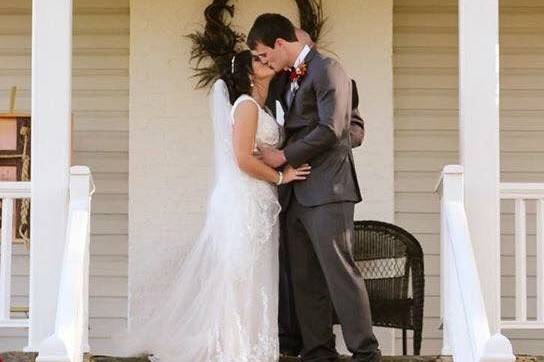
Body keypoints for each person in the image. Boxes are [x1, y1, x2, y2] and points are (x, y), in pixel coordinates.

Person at [248, 13, 382, 362]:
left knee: (340, 271)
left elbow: (334, 128)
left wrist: (283, 155)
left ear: (280, 43)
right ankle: (318, 351)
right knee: (305, 280)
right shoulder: (287, 81)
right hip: (293, 194)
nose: (265, 61)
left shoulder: (328, 69)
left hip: (327, 190)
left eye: (265, 53)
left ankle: (365, 352)